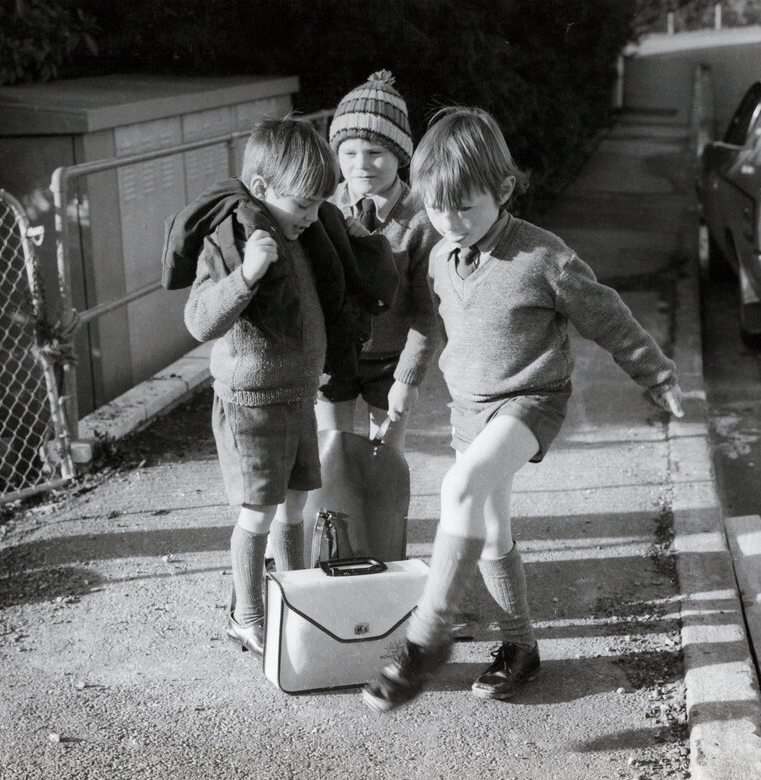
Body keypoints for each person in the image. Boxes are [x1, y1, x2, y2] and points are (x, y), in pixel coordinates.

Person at [361, 106, 685, 712]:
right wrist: (406, 380)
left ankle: (426, 640)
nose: (451, 222)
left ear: (504, 189)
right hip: (469, 410)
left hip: (530, 402)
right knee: (489, 535)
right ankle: (521, 647)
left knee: (460, 487)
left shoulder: (543, 258)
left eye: (466, 206)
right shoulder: (438, 257)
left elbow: (607, 316)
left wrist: (655, 374)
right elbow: (432, 327)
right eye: (437, 208)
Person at [166, 117, 397, 658]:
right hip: (252, 407)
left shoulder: (299, 232)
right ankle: (247, 615)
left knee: (296, 510)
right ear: (264, 190)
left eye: (321, 206)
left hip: (297, 397)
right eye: (304, 206)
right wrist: (245, 275)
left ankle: (292, 604)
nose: (314, 217)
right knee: (257, 514)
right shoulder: (236, 238)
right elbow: (200, 321)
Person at [317, 70, 440, 453]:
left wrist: (409, 377)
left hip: (391, 361)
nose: (361, 165)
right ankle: (333, 517)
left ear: (400, 155)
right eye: (349, 153)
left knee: (383, 454)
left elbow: (428, 311)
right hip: (333, 355)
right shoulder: (322, 208)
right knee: (330, 454)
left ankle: (384, 516)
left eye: (375, 153)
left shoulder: (421, 219)